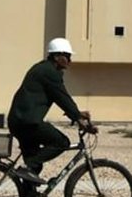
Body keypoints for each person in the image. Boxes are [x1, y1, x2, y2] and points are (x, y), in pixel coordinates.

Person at [7, 37, 91, 186]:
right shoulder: (49, 72)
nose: (70, 60)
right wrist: (77, 117)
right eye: (67, 56)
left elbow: (59, 97)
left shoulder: (44, 69)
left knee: (33, 170)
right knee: (61, 142)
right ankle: (27, 166)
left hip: (20, 121)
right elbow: (62, 97)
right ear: (57, 56)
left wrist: (76, 113)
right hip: (27, 122)